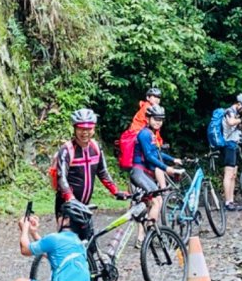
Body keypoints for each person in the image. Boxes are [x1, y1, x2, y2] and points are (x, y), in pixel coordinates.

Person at [55, 108, 126, 241]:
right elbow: (61, 177)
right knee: (67, 245)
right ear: (75, 129)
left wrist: (116, 192)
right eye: (81, 128)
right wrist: (70, 198)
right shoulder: (67, 149)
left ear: (93, 129)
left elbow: (102, 172)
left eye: (89, 129)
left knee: (89, 245)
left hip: (85, 205)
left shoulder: (95, 147)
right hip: (67, 205)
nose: (85, 132)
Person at [130, 104, 182, 245]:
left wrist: (172, 160)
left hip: (144, 174)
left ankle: (143, 238)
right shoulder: (145, 134)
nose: (158, 121)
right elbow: (149, 156)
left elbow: (157, 153)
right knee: (156, 201)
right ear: (148, 118)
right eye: (155, 118)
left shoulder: (151, 134)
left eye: (161, 119)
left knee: (146, 204)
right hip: (139, 173)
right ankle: (151, 232)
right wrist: (167, 168)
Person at [126, 87, 167, 187]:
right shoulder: (147, 109)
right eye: (154, 96)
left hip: (144, 137)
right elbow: (148, 129)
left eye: (159, 97)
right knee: (156, 162)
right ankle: (163, 188)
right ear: (148, 97)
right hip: (141, 138)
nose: (157, 99)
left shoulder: (152, 109)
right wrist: (157, 143)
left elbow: (155, 130)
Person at [220, 93, 242, 211]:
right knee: (228, 174)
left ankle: (231, 200)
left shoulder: (236, 113)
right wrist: (239, 120)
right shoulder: (230, 111)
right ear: (239, 104)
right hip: (229, 145)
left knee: (233, 175)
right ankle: (227, 202)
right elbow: (230, 122)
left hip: (236, 146)